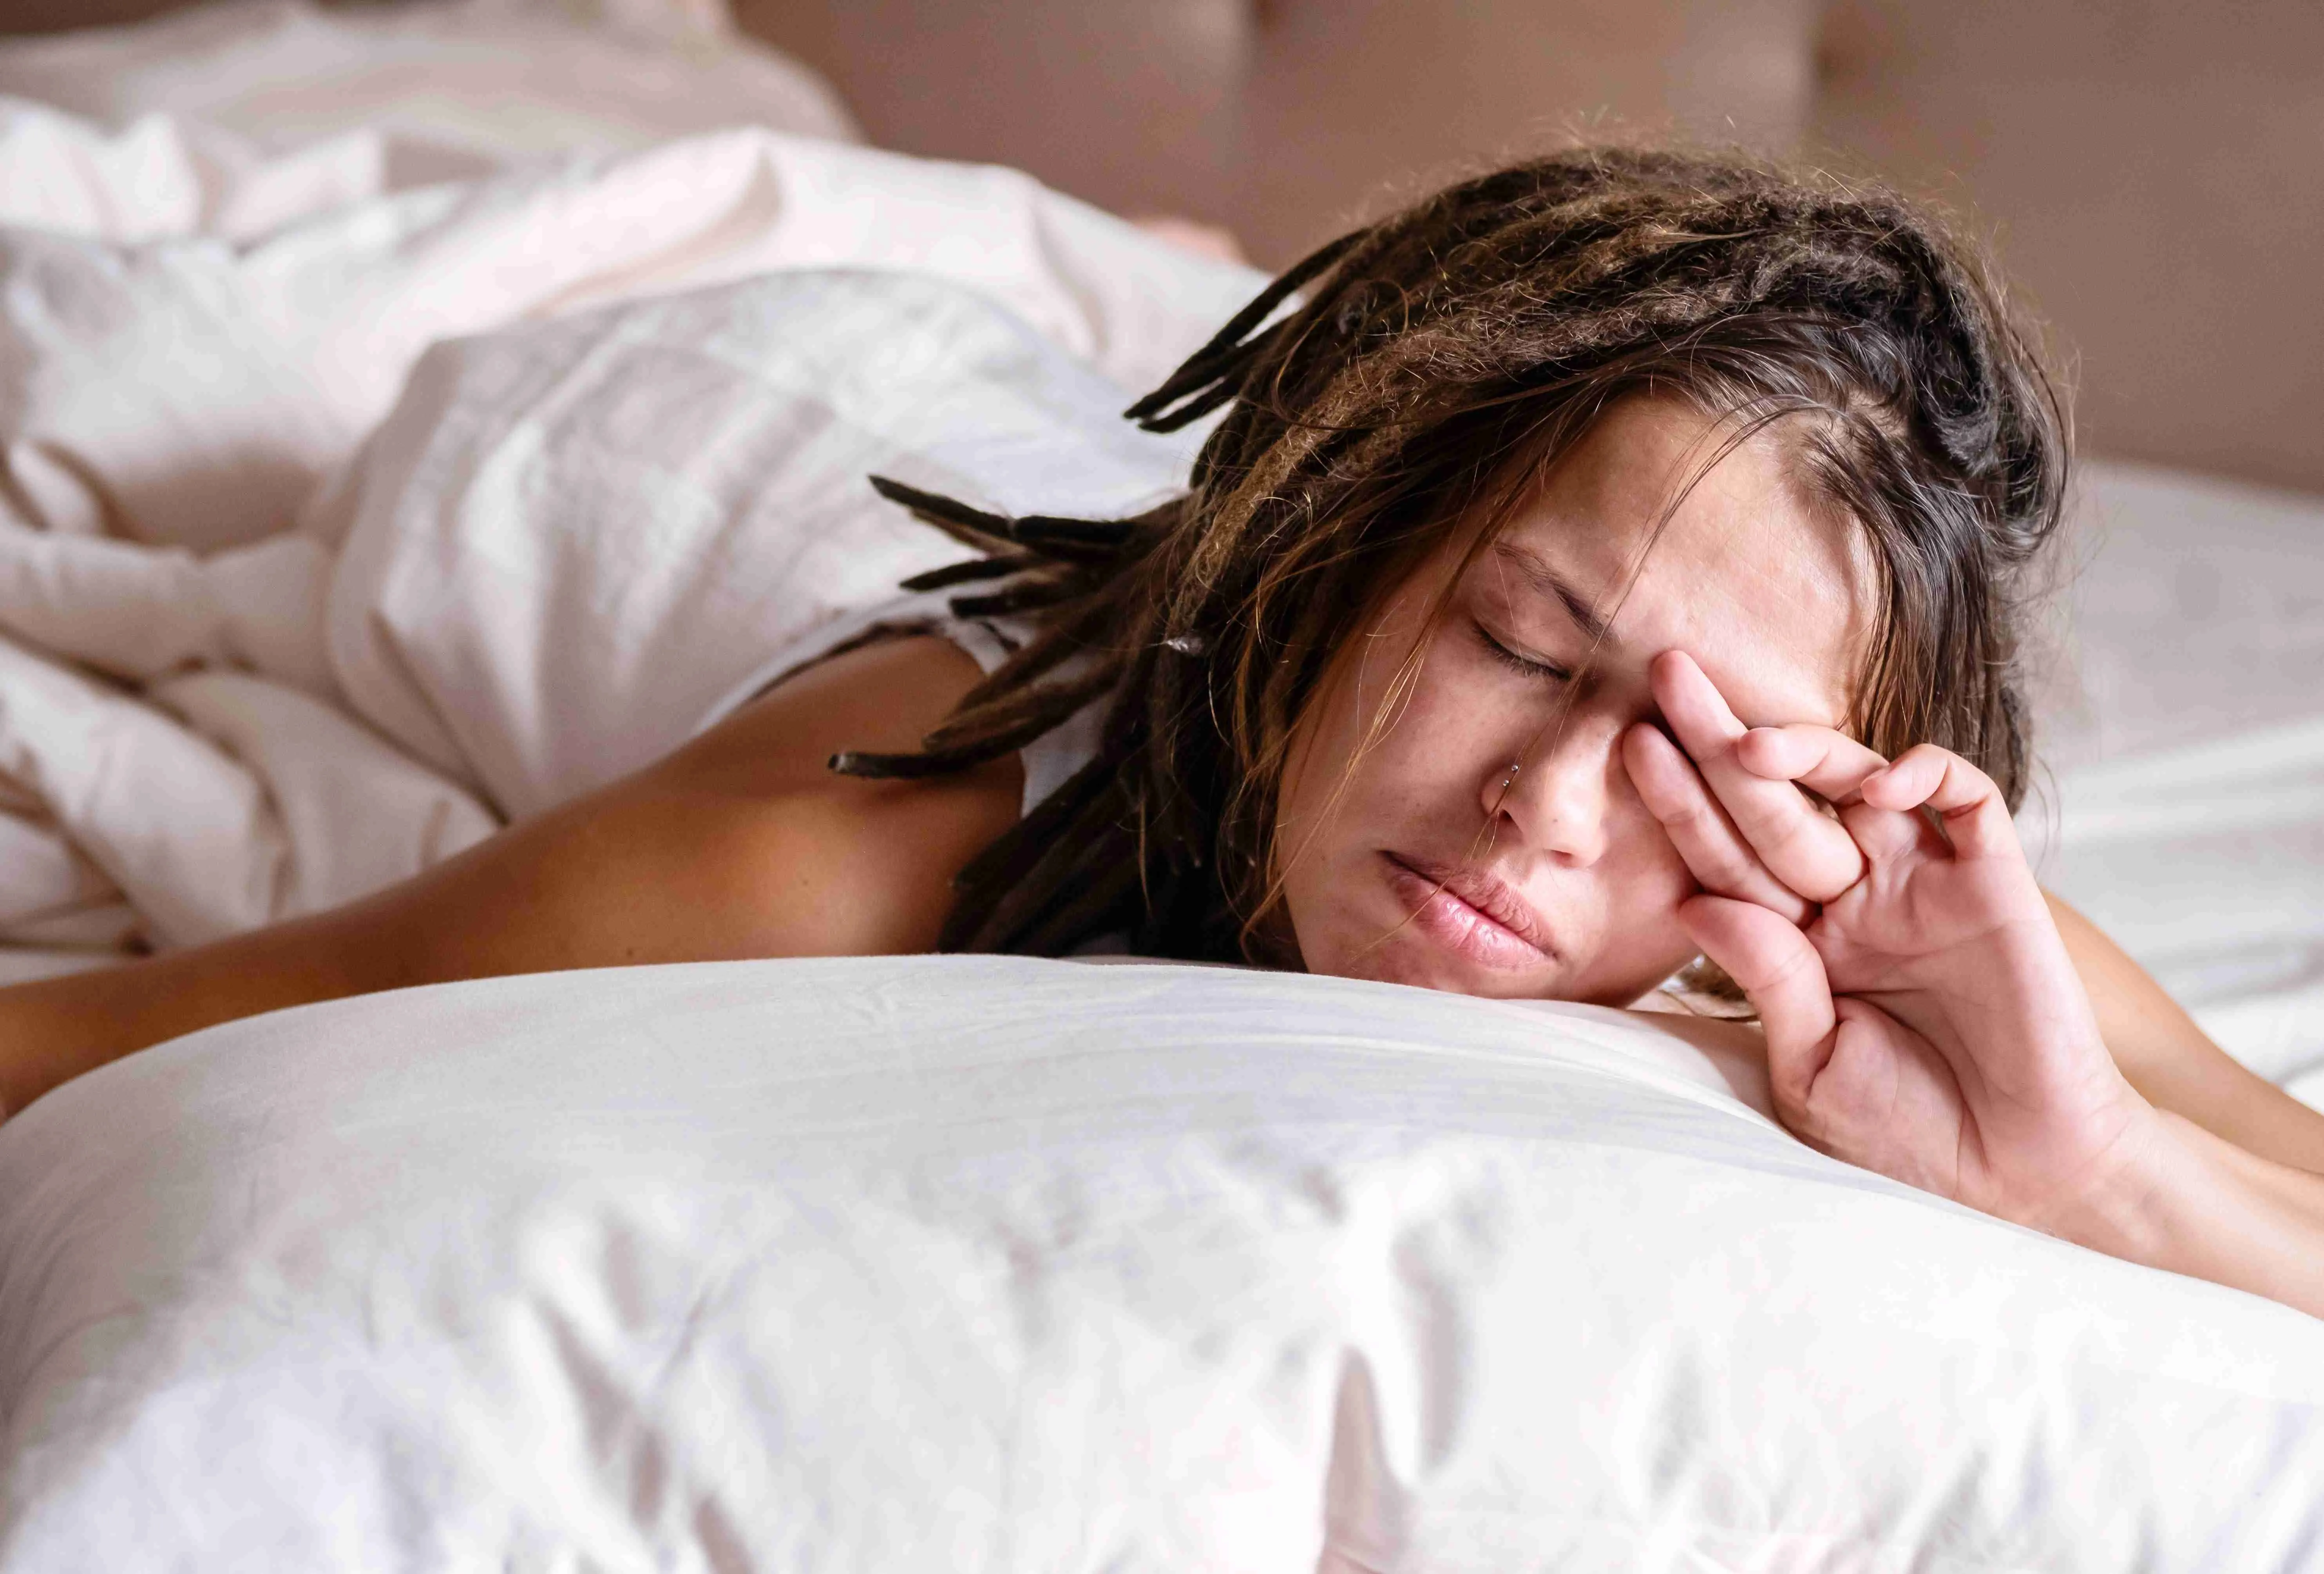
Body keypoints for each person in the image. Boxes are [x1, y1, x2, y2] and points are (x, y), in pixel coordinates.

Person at [3, 148, 2320, 1317]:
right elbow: (110, 1031)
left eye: (1694, 754)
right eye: (1519, 642)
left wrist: (2095, 1168)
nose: (1541, 804)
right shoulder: (866, 836)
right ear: (1342, 562)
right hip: (727, 417)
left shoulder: (1853, 902)